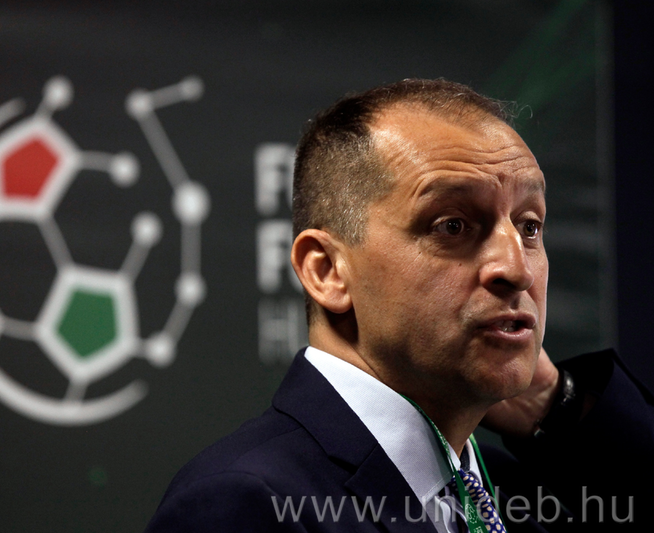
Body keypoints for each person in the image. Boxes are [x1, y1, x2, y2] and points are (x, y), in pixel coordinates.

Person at [145, 79, 654, 532]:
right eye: (452, 225)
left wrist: (552, 405)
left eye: (529, 226)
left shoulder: (507, 494)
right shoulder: (247, 503)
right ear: (327, 271)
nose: (516, 268)